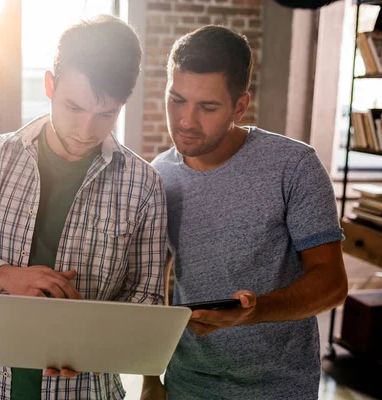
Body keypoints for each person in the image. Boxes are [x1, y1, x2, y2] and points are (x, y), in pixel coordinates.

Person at [0, 15, 168, 400]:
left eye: (105, 115)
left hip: (87, 386)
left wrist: (91, 345)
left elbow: (146, 295)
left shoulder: (144, 184)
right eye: (74, 107)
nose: (86, 131)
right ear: (49, 85)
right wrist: (4, 276)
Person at [145, 26, 348, 399]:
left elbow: (332, 284)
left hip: (277, 387)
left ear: (240, 106)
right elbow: (153, 279)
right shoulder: (159, 174)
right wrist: (149, 378)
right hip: (187, 383)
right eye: (176, 100)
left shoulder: (294, 165)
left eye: (207, 107)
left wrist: (254, 312)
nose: (186, 120)